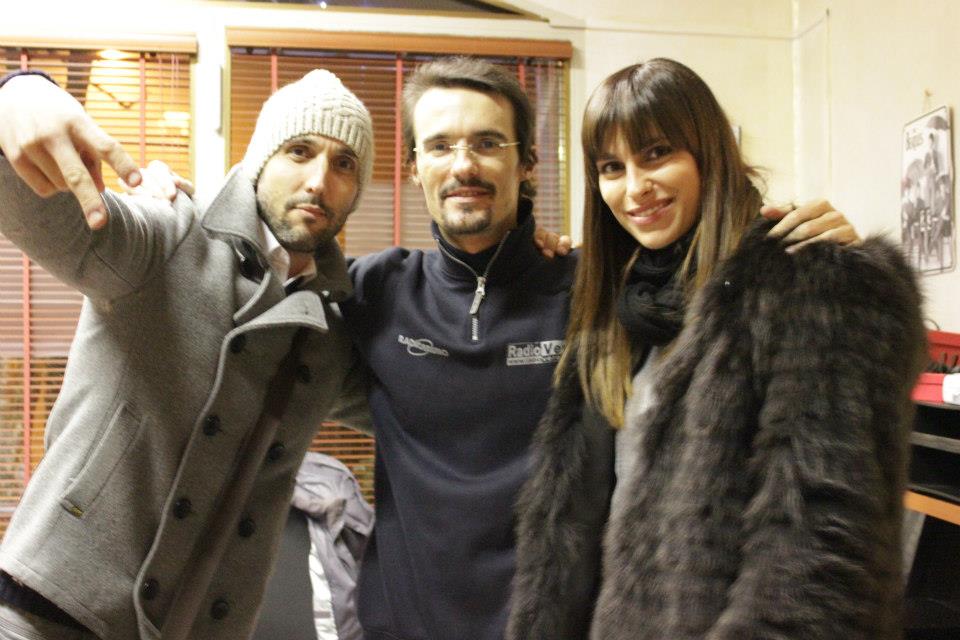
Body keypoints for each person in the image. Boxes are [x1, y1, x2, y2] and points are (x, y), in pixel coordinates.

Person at [136, 56, 858, 640]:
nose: (464, 165)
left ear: (527, 162)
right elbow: (247, 304)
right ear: (414, 166)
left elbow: (715, 299)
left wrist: (813, 255)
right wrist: (181, 218)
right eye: (440, 146)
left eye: (487, 143)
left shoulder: (598, 291)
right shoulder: (372, 291)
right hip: (401, 625)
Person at [507, 58, 926, 640]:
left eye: (657, 153)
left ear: (709, 151)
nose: (635, 187)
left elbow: (820, 548)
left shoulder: (806, 281)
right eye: (611, 167)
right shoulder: (614, 310)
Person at [0, 68, 374, 640]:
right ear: (261, 160)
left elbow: (424, 405)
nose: (320, 181)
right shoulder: (169, 235)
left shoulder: (331, 331)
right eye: (299, 151)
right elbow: (32, 209)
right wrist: (19, 94)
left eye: (344, 164)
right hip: (50, 610)